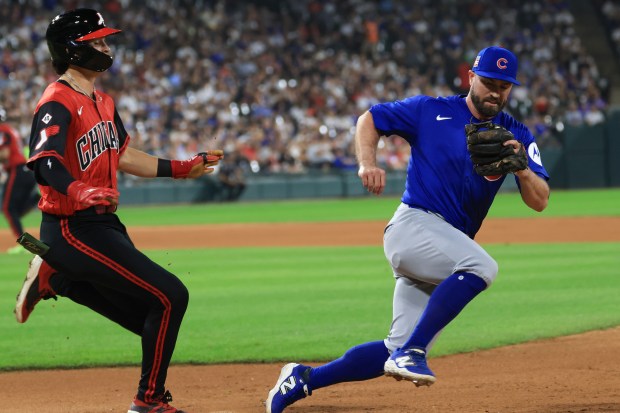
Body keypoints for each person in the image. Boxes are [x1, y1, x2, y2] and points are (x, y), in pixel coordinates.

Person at [265, 46, 550, 413]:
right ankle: (413, 352)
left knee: (393, 349)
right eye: (488, 82)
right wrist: (367, 163)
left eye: (504, 86)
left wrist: (522, 169)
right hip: (414, 226)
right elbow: (370, 118)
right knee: (482, 268)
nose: (495, 92)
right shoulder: (430, 110)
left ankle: (303, 379)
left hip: (445, 247)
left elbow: (540, 201)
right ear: (471, 78)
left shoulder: (517, 133)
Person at [13, 9, 223, 413]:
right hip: (71, 226)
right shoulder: (56, 101)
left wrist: (182, 168)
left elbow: (123, 154)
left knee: (147, 316)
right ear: (74, 50)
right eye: (98, 41)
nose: (107, 47)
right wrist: (77, 188)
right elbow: (43, 161)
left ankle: (59, 278)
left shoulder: (103, 100)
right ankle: (148, 401)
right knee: (170, 296)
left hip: (103, 223)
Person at [0, 106, 40, 253]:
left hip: (17, 170)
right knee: (14, 210)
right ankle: (36, 198)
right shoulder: (9, 130)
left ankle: (25, 244)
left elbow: (4, 153)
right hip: (25, 170)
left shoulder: (2, 131)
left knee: (7, 209)